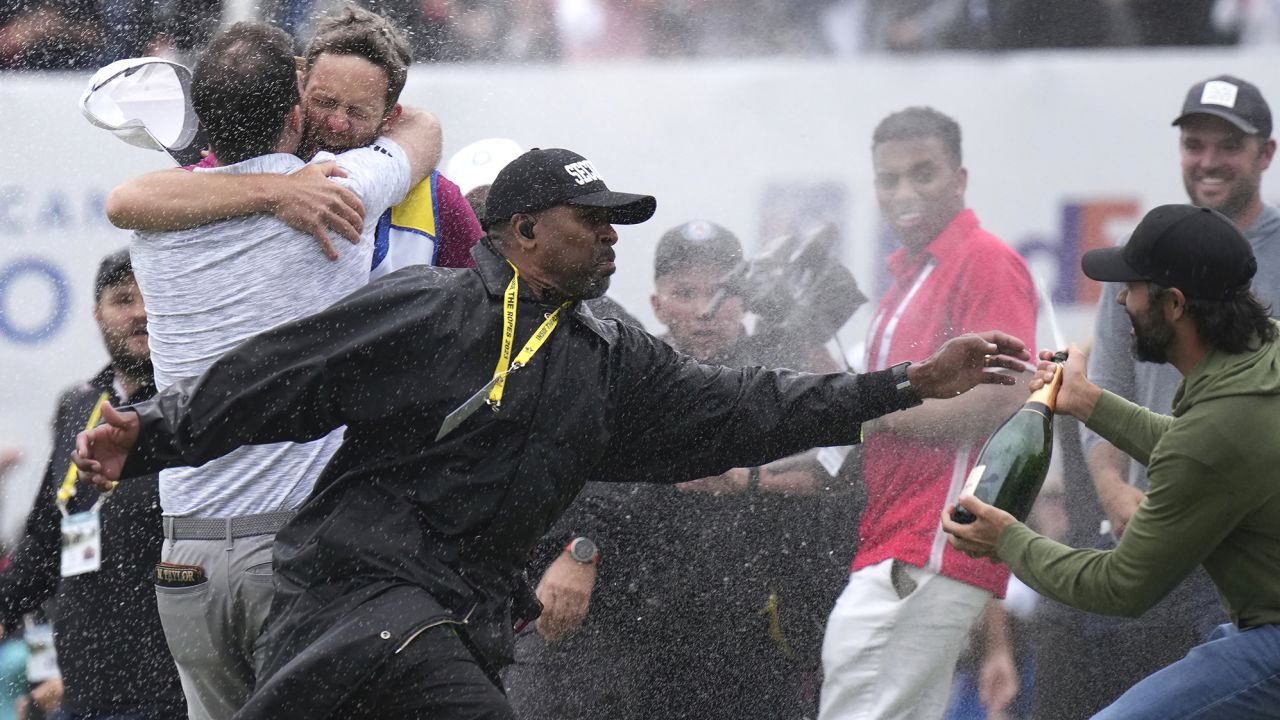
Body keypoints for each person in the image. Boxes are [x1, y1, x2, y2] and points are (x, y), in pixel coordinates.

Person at [72, 146, 1030, 720]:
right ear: (522, 231)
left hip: (466, 617)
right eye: (594, 220)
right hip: (353, 599)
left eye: (619, 224)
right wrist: (149, 434)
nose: (613, 237)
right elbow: (279, 379)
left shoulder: (609, 353)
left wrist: (903, 383)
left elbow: (751, 408)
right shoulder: (429, 310)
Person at [109, 22, 438, 720]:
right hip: (293, 550)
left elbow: (126, 198)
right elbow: (425, 133)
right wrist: (282, 191)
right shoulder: (339, 189)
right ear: (296, 114)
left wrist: (264, 189)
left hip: (185, 558)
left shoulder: (155, 226)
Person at [946, 203, 1280, 718]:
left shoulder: (1216, 429)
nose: (1119, 299)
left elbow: (1120, 587)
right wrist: (1085, 400)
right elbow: (1198, 446)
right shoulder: (1263, 350)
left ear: (1173, 304)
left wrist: (1006, 540)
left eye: (1132, 288)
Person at [505, 220, 848, 719]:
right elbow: (583, 477)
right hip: (638, 630)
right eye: (685, 292)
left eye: (720, 292)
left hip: (760, 637)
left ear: (744, 299)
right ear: (657, 304)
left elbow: (843, 463)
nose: (705, 310)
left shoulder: (776, 364)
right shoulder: (629, 368)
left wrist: (746, 479)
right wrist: (580, 551)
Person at [1049, 73, 1280, 718]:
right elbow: (1106, 391)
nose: (1208, 161)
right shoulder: (1144, 256)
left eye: (1228, 146)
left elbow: (1214, 441)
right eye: (1195, 144)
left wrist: (1005, 539)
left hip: (1246, 556)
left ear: (1266, 153)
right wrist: (1117, 494)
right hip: (1155, 533)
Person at [819, 106, 1036, 720]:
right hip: (905, 541)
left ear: (960, 179)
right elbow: (849, 414)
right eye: (889, 179)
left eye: (924, 174)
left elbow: (1000, 398)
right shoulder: (905, 280)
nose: (904, 193)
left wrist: (872, 413)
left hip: (931, 542)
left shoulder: (985, 259)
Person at [106, 5, 482, 274]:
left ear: (391, 117)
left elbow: (486, 312)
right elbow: (127, 203)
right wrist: (279, 191)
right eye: (324, 102)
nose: (336, 123)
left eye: (357, 112)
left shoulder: (437, 201)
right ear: (299, 86)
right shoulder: (234, 172)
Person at [0, 250, 185, 719]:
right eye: (123, 299)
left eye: (151, 297)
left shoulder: (191, 402)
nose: (140, 312)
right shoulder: (81, 403)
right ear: (96, 315)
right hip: (85, 686)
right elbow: (47, 532)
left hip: (170, 684)